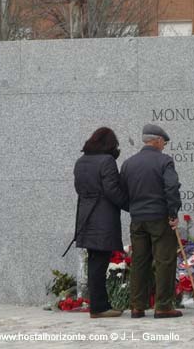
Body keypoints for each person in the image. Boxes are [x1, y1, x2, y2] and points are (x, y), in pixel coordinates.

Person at [120, 124, 182, 319]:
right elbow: (171, 188)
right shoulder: (164, 161)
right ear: (156, 140)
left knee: (139, 261)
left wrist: (134, 209)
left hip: (137, 219)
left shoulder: (129, 163)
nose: (164, 146)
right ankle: (163, 306)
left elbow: (122, 192)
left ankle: (137, 306)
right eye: (163, 142)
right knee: (164, 260)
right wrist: (173, 213)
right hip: (159, 218)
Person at [73, 127, 128, 318]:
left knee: (95, 261)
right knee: (99, 263)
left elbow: (79, 188)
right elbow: (112, 190)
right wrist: (130, 206)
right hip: (102, 217)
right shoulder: (107, 161)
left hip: (85, 216)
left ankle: (99, 305)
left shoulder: (81, 162)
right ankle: (99, 307)